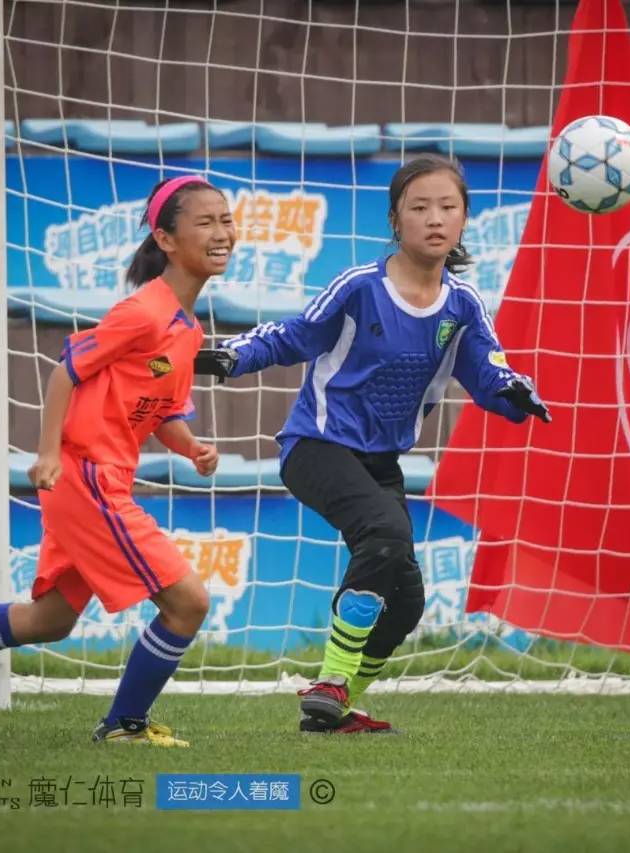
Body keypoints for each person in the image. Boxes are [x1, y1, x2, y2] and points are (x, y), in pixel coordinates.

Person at [0, 176, 230, 747]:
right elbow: (66, 371)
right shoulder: (143, 311)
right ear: (166, 239)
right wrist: (49, 453)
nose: (222, 232)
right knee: (188, 602)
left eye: (225, 220)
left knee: (50, 619)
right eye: (205, 222)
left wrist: (192, 448)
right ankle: (124, 724)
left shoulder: (187, 327)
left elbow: (159, 411)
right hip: (87, 477)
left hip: (102, 479)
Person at [195, 155, 550, 734]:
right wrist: (233, 355)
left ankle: (335, 708)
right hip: (315, 447)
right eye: (420, 207)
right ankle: (331, 679)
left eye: (448, 207)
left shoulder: (462, 305)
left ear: (464, 220)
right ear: (394, 220)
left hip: (381, 462)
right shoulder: (360, 287)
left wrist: (515, 394)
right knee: (384, 533)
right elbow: (294, 336)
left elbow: (487, 371)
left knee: (406, 601)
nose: (434, 218)